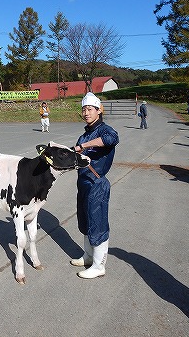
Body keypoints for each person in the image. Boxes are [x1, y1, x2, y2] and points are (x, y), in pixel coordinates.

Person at [70, 92, 119, 279]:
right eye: (83, 109)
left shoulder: (105, 130)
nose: (86, 113)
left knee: (97, 223)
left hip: (97, 183)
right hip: (82, 183)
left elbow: (112, 140)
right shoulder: (83, 135)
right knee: (85, 220)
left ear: (99, 110)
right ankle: (89, 256)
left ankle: (99, 266)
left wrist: (84, 146)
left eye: (89, 109)